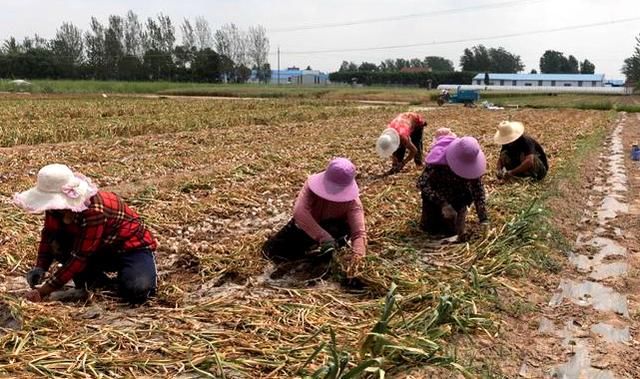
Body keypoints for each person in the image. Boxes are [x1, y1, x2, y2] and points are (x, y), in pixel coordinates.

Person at [15, 164, 158, 304]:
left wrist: (44, 290)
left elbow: (80, 256)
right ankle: (99, 282)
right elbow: (49, 235)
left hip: (130, 248)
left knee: (137, 291)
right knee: (59, 244)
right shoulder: (55, 209)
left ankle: (135, 271)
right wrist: (41, 266)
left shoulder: (94, 211)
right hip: (98, 248)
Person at [262, 157, 366, 264]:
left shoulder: (353, 203)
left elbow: (358, 233)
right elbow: (299, 212)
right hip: (307, 225)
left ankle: (326, 255)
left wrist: (357, 257)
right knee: (269, 253)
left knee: (322, 262)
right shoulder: (311, 188)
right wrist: (324, 237)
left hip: (335, 230)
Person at [417, 136, 489, 239]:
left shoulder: (471, 162)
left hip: (459, 197)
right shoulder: (439, 161)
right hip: (437, 196)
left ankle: (458, 215)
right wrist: (443, 203)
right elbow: (423, 183)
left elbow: (478, 190)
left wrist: (483, 218)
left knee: (453, 233)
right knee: (430, 230)